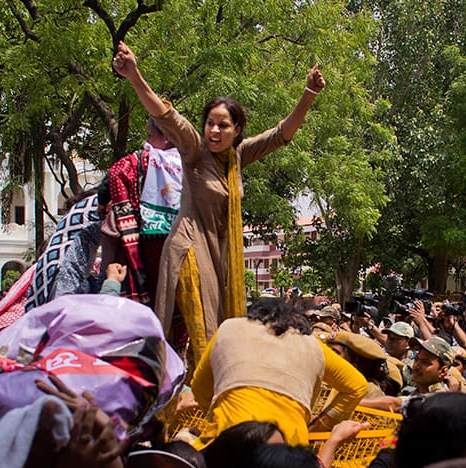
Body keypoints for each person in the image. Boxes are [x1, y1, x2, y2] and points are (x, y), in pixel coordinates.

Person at [114, 41, 325, 360]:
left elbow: (282, 134)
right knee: (205, 337)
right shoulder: (194, 149)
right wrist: (134, 74)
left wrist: (308, 93)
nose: (214, 130)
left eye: (223, 125)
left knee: (225, 336)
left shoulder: (238, 156)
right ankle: (184, 402)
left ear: (236, 129)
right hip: (189, 251)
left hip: (222, 257)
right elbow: (166, 115)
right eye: (209, 123)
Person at [189, 300, 366, 447]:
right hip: (289, 450)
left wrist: (217, 412)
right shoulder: (312, 345)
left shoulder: (228, 329)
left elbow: (199, 387)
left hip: (225, 441)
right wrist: (317, 427)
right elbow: (357, 386)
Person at [96, 118, 183, 303]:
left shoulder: (135, 162)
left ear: (165, 137)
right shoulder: (194, 164)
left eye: (150, 136)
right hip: (181, 247)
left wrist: (103, 206)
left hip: (143, 249)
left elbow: (111, 179)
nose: (147, 142)